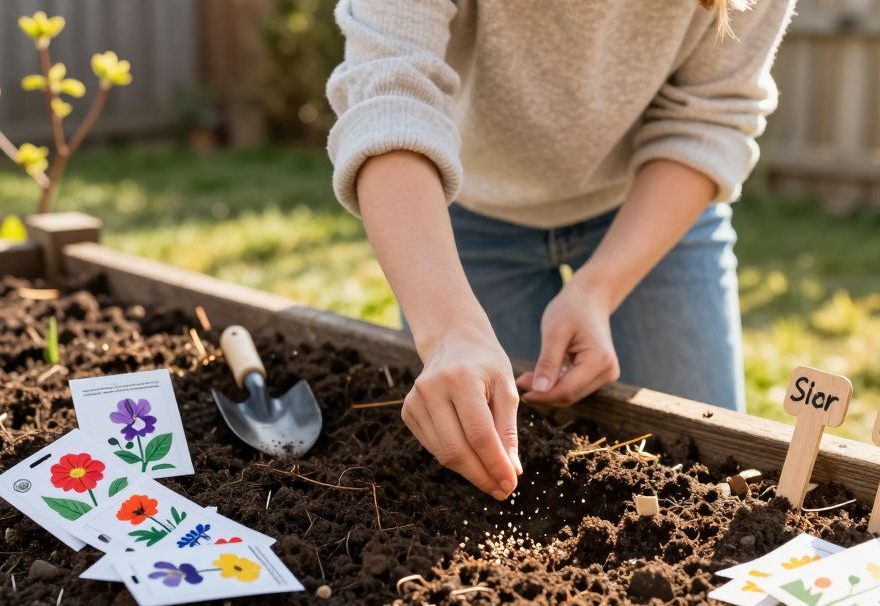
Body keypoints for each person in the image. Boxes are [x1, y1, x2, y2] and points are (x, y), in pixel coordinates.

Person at [327, 0, 795, 500]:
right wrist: (449, 331)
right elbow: (388, 98)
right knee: (471, 461)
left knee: (706, 478)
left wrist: (600, 287)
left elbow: (711, 115)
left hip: (651, 201)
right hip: (463, 206)